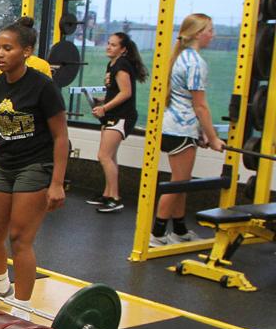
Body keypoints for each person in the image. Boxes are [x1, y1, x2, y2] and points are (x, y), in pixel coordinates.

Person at [0, 17, 68, 319]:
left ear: (26, 51)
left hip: (35, 165)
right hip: (5, 166)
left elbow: (61, 137)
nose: (0, 54)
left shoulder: (42, 87)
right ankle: (0, 286)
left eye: (7, 48)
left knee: (20, 239)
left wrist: (57, 182)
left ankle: (22, 306)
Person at [151, 13, 223, 246]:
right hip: (181, 128)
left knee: (182, 181)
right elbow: (200, 105)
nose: (213, 35)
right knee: (178, 183)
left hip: (177, 127)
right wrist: (213, 138)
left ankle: (179, 230)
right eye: (210, 30)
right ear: (198, 33)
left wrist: (202, 133)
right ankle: (158, 233)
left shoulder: (183, 57)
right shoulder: (194, 62)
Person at [88, 32, 147, 213]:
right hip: (113, 114)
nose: (108, 47)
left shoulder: (122, 65)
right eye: (108, 44)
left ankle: (115, 198)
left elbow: (126, 93)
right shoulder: (112, 64)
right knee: (110, 157)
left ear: (123, 49)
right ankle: (107, 194)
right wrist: (102, 100)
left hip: (122, 116)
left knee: (103, 156)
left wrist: (104, 108)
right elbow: (116, 91)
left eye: (113, 45)